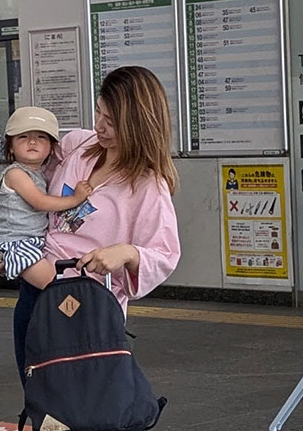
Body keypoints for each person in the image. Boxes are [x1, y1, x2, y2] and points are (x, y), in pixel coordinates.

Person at [11, 66, 181, 382]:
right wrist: (10, 240)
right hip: (36, 294)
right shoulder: (78, 145)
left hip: (87, 305)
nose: (98, 126)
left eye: (111, 123)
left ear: (138, 125)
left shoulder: (147, 186)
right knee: (38, 396)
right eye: (98, 112)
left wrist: (127, 253)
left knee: (82, 402)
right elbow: (31, 175)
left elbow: (165, 253)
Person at [0, 107, 93, 280]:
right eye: (23, 137)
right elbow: (40, 202)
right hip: (15, 243)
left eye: (41, 137)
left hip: (32, 242)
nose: (32, 142)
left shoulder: (40, 174)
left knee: (55, 290)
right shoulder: (15, 174)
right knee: (55, 288)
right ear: (10, 147)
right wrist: (75, 198)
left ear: (51, 149)